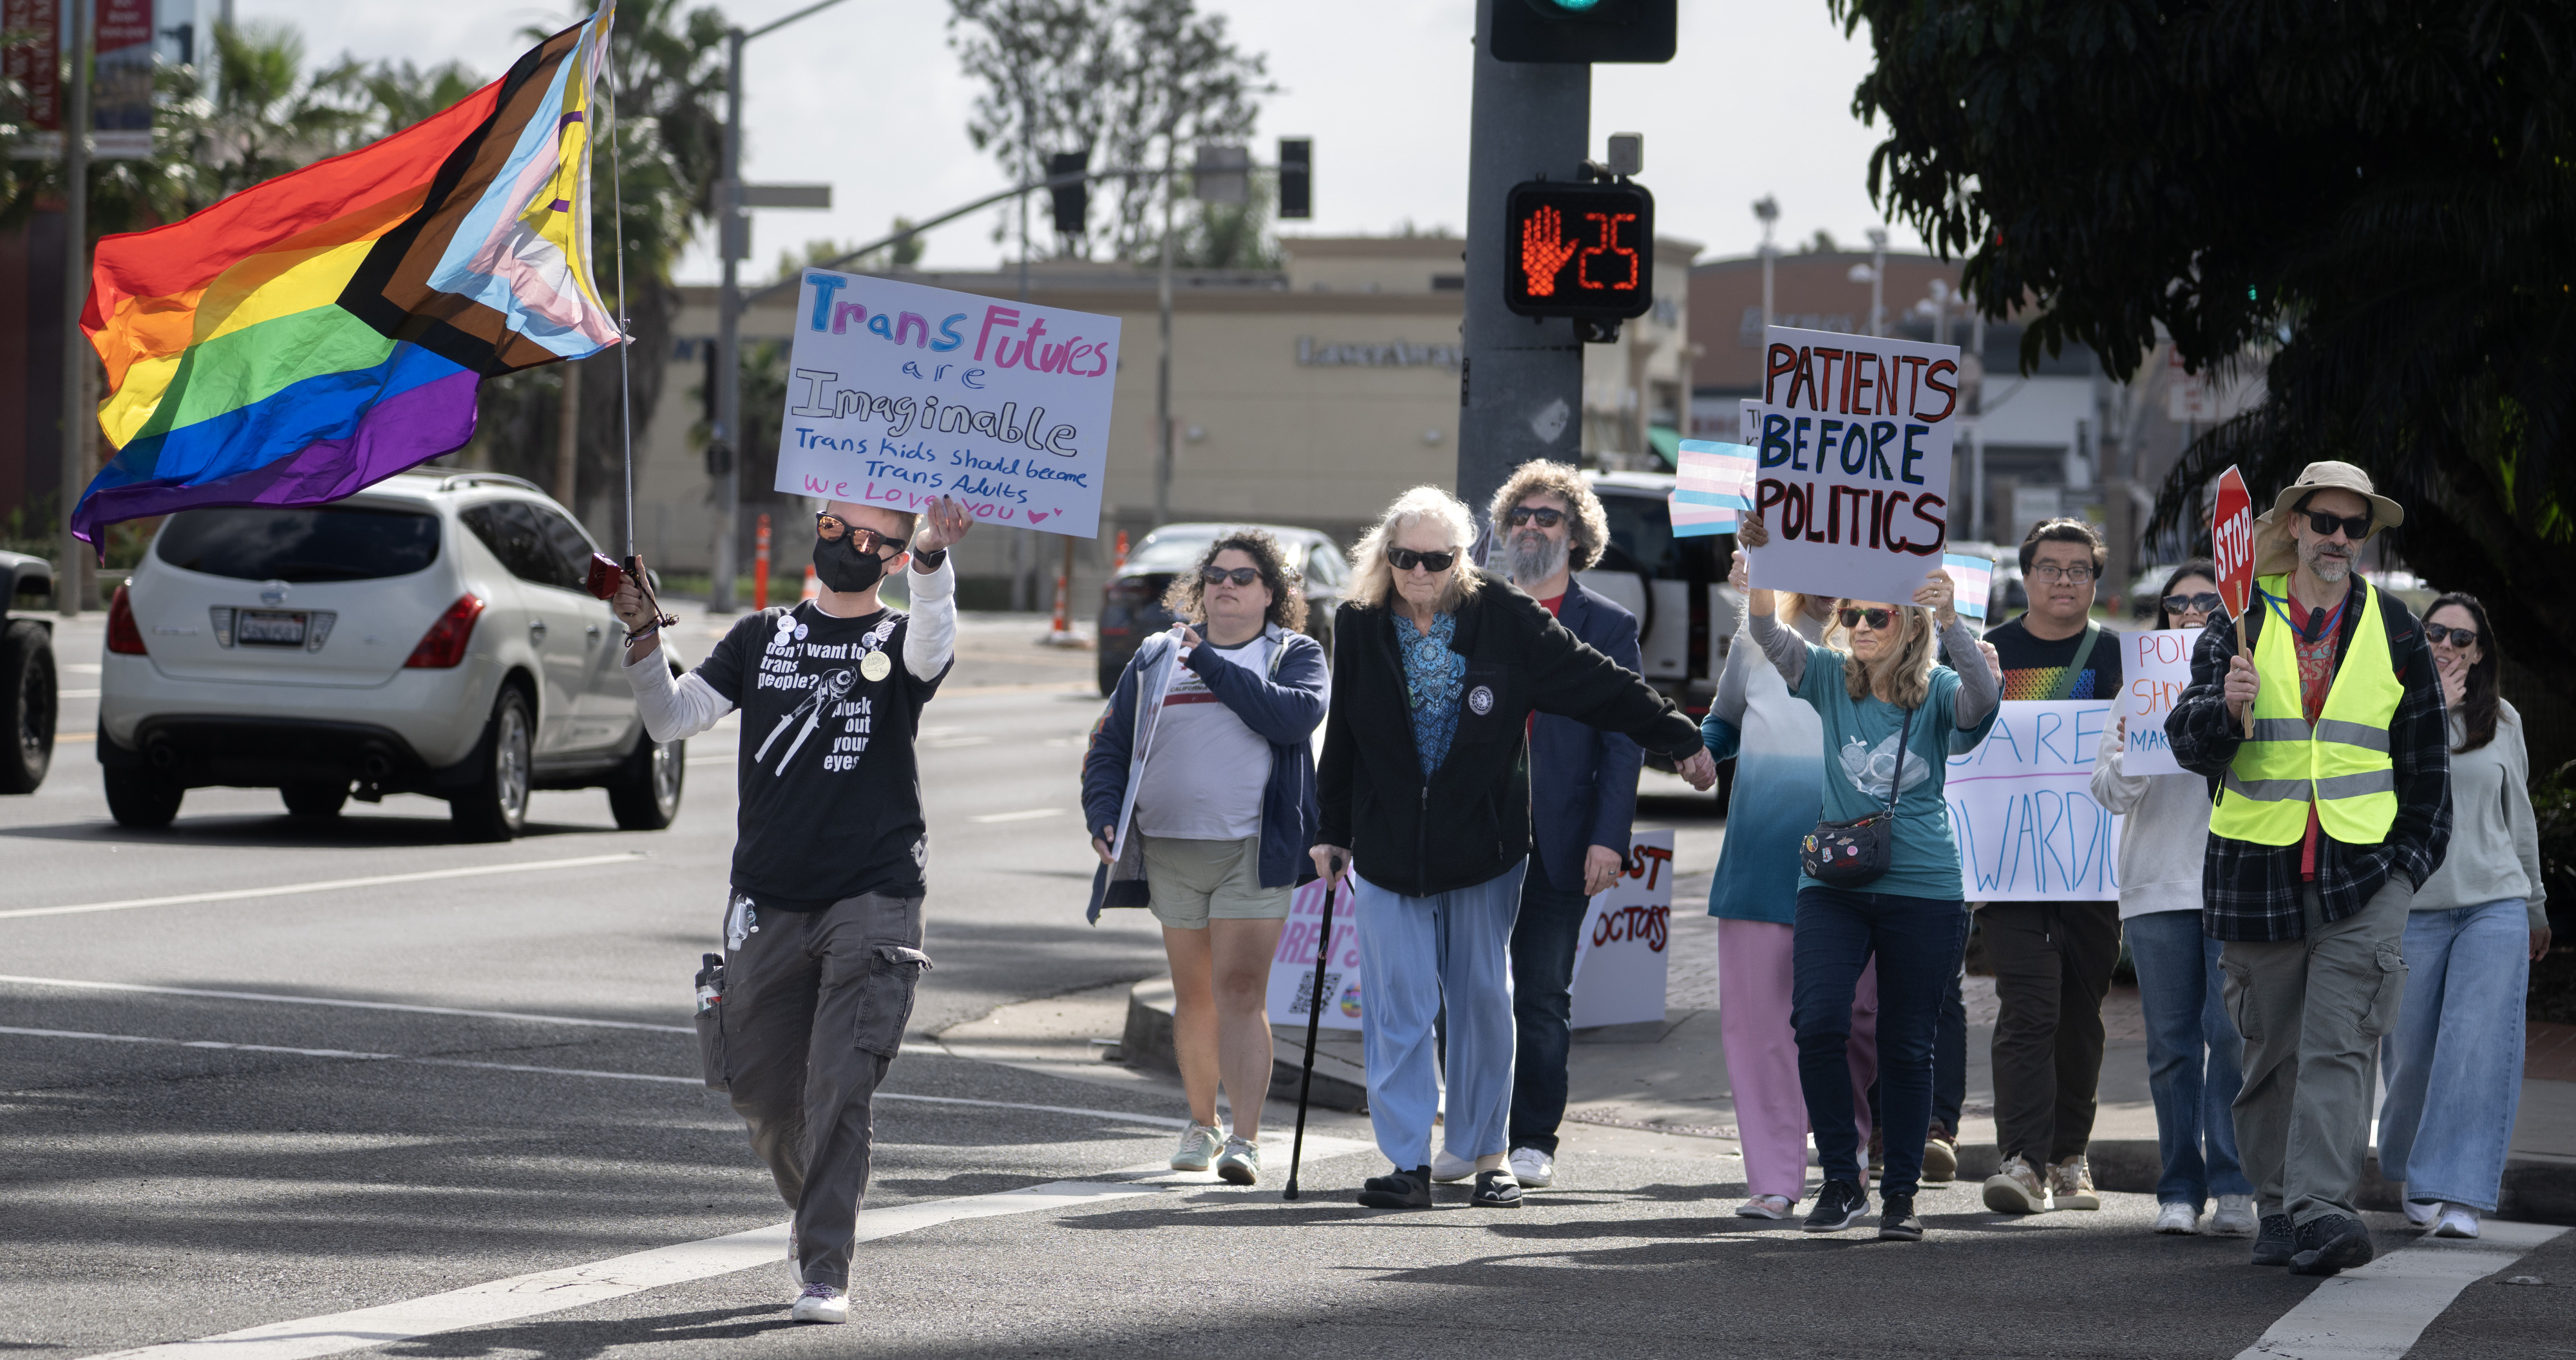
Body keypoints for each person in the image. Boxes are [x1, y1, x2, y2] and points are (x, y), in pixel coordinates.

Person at [613, 496, 971, 1325]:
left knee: (840, 1085)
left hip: (874, 894)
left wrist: (930, 560)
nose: (847, 545)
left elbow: (931, 641)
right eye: (834, 529)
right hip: (766, 899)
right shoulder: (760, 637)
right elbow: (670, 719)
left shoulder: (899, 639)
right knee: (766, 1096)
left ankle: (823, 1265)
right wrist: (642, 637)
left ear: (890, 556)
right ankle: (812, 1209)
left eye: (870, 539)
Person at [1312, 485, 1716, 1213]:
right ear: (1386, 555)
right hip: (1386, 850)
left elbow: (1595, 682)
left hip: (1485, 845)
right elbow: (1342, 733)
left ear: (1461, 558)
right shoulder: (1360, 623)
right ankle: (1406, 1161)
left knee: (1481, 1003)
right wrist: (1329, 829)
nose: (1419, 573)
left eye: (1436, 559)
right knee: (1398, 1006)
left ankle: (1488, 1154)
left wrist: (1676, 734)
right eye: (1404, 557)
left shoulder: (1502, 615)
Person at [2169, 460, 2450, 1278]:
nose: (2337, 539)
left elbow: (2427, 774)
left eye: (2352, 527)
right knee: (2268, 1059)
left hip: (2364, 882)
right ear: (2293, 525)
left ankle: (2323, 1210)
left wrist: (2404, 875)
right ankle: (2278, 1204)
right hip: (2254, 878)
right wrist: (2225, 707)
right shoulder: (2236, 622)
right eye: (2323, 522)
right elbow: (2187, 745)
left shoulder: (2398, 628)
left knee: (2339, 1049)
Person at [1735, 509, 2000, 1241]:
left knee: (1906, 1044)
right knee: (1815, 1021)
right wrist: (1758, 571)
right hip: (1834, 884)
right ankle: (1842, 1181)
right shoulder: (1827, 677)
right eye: (1851, 614)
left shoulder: (1941, 686)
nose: (1857, 624)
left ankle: (1901, 1198)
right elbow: (1765, 634)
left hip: (1924, 890)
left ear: (1908, 625)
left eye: (1875, 615)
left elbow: (1982, 706)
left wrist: (1952, 624)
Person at [1081, 529, 1329, 1187]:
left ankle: (1244, 1139)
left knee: (1240, 991)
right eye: (1216, 574)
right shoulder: (1157, 655)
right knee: (1194, 997)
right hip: (1169, 850)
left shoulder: (1292, 654)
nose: (1225, 584)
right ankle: (1202, 1122)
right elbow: (1109, 743)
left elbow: (1291, 720)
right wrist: (1102, 811)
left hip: (1252, 852)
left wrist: (1213, 665)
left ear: (1271, 594)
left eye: (1243, 577)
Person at [1701, 563, 1885, 1221]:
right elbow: (1723, 721)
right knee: (1759, 1028)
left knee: (1855, 1018)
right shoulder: (1757, 636)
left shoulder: (1891, 635)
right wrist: (1698, 751)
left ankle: (1849, 1149)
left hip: (1862, 867)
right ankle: (1776, 1177)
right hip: (1761, 857)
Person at [1481, 462, 1645, 1193]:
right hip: (1473, 834)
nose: (1530, 527)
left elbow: (1623, 737)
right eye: (1518, 515)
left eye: (1547, 517)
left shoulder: (1608, 626)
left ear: (1576, 537)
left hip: (1563, 838)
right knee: (1470, 986)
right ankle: (1474, 1131)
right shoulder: (1473, 610)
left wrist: (1609, 837)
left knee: (1540, 992)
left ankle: (1531, 1139)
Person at [2092, 562, 2257, 1238]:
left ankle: (2234, 1183)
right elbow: (2107, 792)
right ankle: (2179, 1188)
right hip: (2158, 886)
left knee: (2231, 1039)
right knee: (2171, 1048)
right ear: (2162, 616)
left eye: (2204, 601)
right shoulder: (2138, 689)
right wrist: (2136, 750)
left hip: (2233, 885)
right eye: (2176, 603)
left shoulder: (2249, 677)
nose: (2190, 611)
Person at [2376, 591, 2548, 1240]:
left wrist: (2532, 902)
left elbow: (2518, 815)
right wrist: (2430, 713)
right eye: (2436, 634)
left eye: (2461, 639)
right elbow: (2373, 797)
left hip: (2493, 906)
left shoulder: (2502, 718)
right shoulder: (2386, 711)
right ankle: (2411, 1169)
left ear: (2480, 655)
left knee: (2475, 1047)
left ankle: (2460, 1193)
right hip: (2414, 906)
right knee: (2412, 1057)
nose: (2446, 646)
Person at [1978, 517, 2126, 1216]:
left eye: (2078, 570)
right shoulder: (1989, 654)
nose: (2063, 581)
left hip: (2095, 866)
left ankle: (2071, 1156)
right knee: (2027, 1009)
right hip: (2013, 865)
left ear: (2095, 582)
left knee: (2079, 1017)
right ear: (2026, 575)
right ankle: (2022, 1161)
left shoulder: (2120, 658)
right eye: (2049, 568)